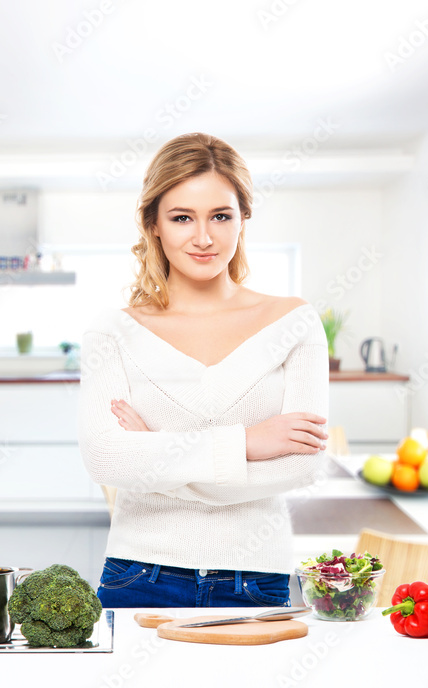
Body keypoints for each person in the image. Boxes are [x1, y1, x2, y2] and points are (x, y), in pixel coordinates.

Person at [77, 132, 329, 608]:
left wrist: (154, 453)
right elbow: (105, 459)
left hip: (254, 575)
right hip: (139, 572)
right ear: (153, 224)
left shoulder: (294, 324)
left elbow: (302, 464)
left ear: (242, 219)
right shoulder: (112, 333)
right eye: (181, 218)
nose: (203, 238)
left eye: (220, 216)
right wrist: (248, 444)